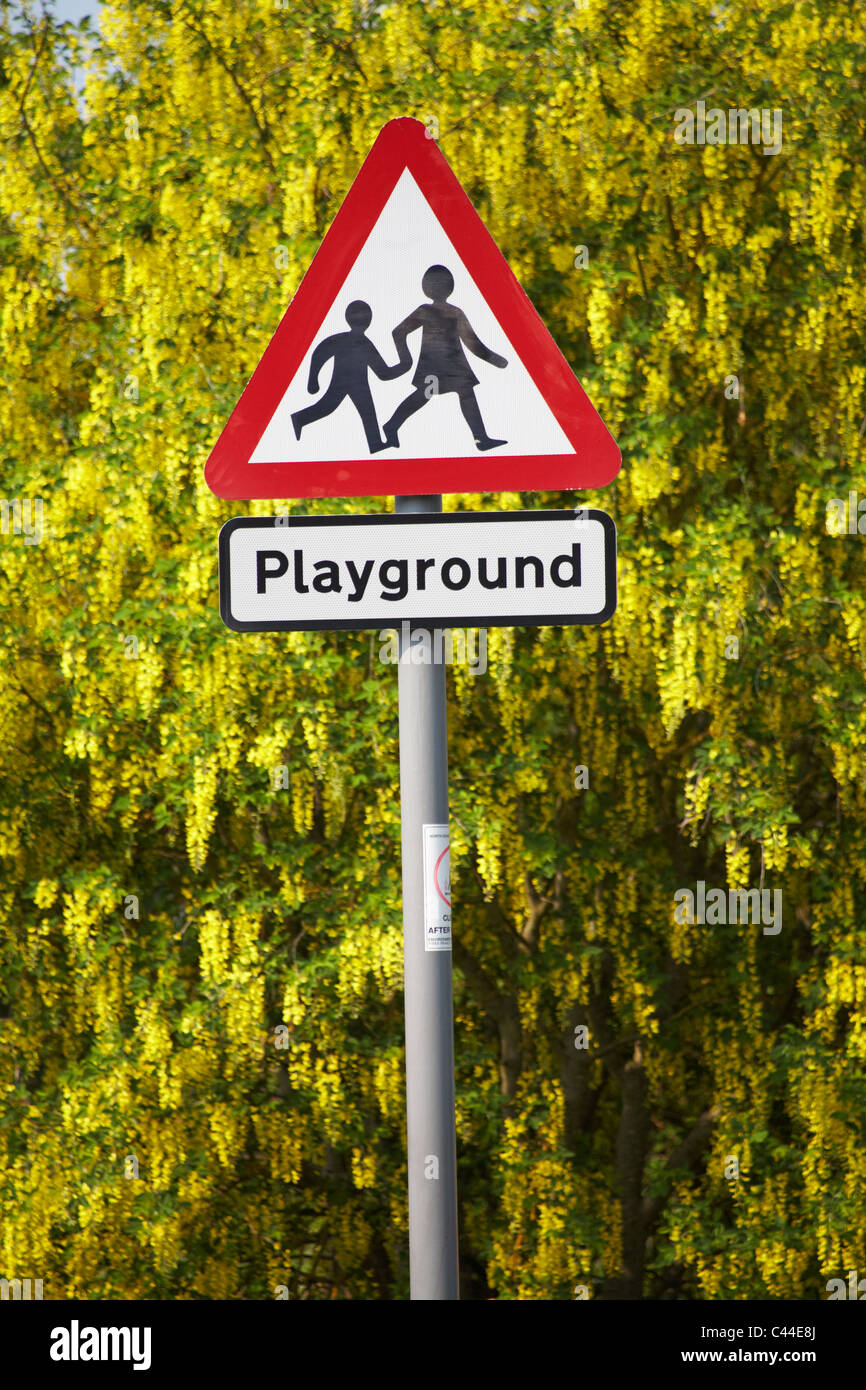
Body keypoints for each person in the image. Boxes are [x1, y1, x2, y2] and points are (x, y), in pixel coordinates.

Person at [382, 265, 508, 450]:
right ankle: (391, 425)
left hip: (453, 366)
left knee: (465, 392)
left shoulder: (455, 312)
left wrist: (496, 360)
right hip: (434, 366)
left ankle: (481, 439)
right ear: (427, 288)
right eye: (435, 284)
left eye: (442, 284)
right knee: (424, 395)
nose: (438, 287)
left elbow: (472, 342)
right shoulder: (427, 311)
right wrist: (405, 360)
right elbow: (398, 333)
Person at [291, 301, 406, 453]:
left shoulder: (350, 341)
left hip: (356, 384)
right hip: (345, 382)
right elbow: (384, 373)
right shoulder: (362, 343)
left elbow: (320, 352)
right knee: (330, 407)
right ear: (369, 321)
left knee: (363, 412)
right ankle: (299, 418)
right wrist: (405, 364)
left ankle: (375, 443)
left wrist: (313, 379)